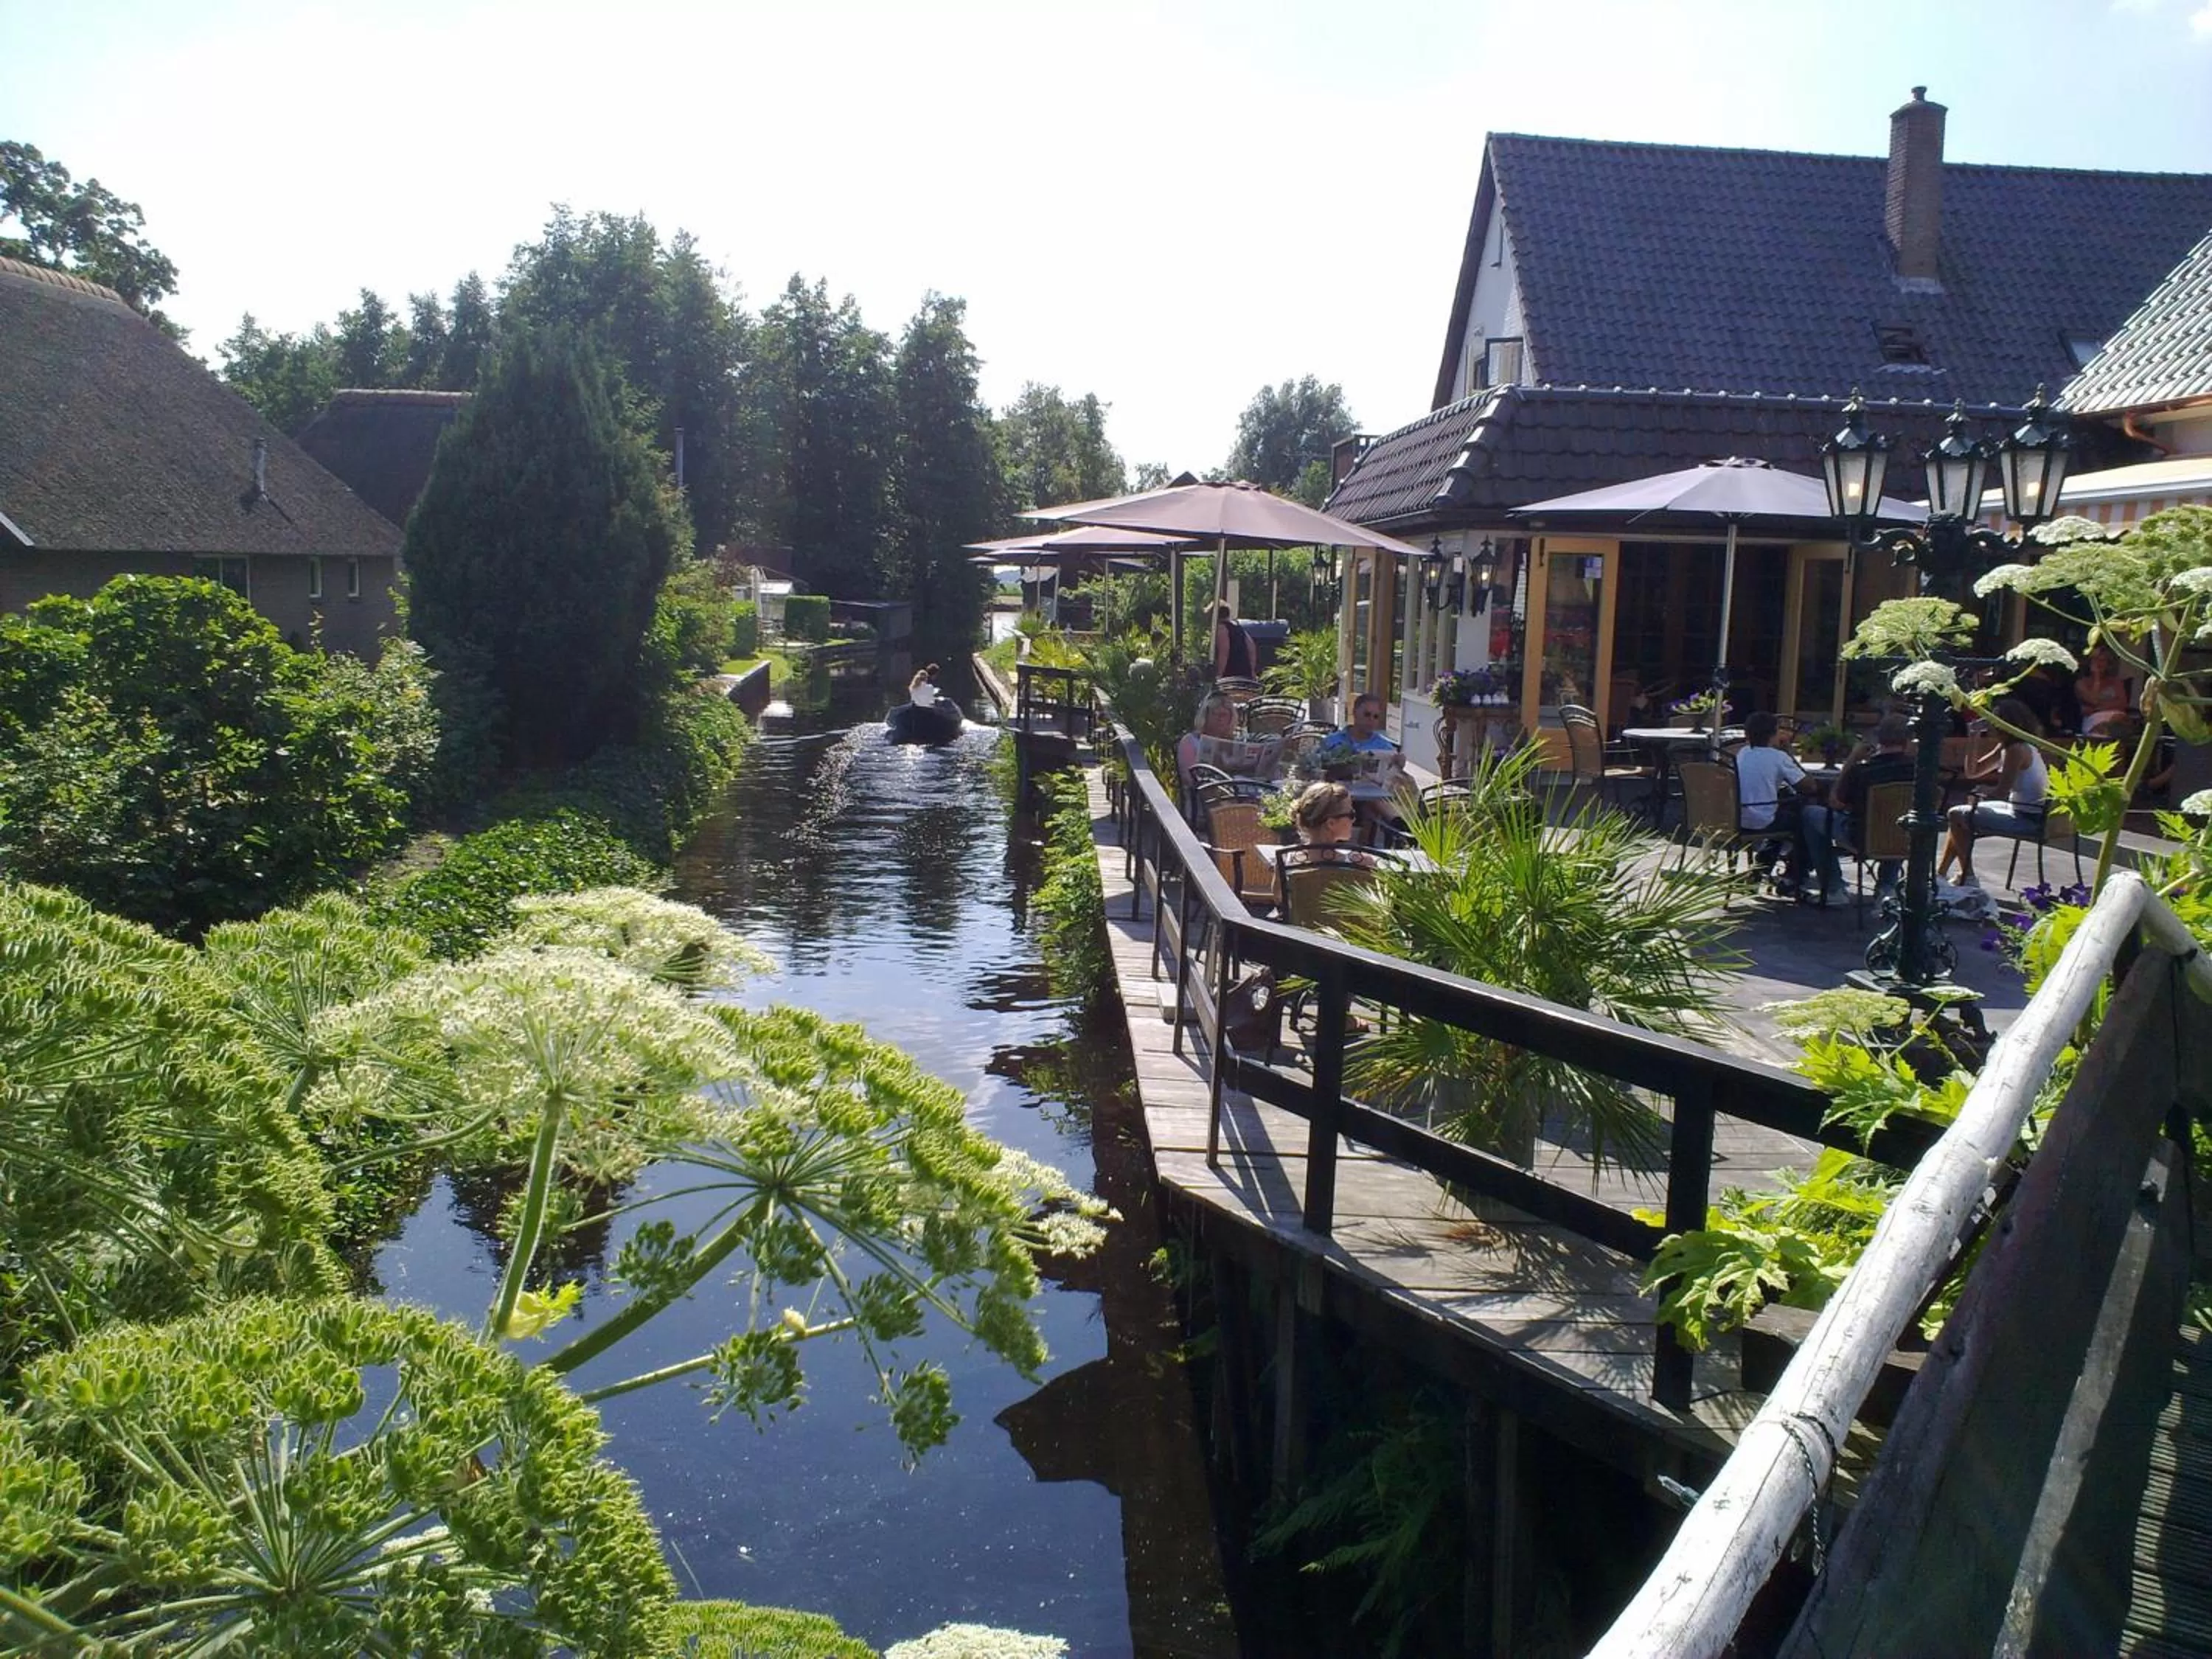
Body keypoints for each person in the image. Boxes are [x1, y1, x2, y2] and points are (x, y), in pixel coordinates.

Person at [1800, 712, 1914, 905]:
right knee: (1897, 821)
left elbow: (1835, 802)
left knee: (1810, 814)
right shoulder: (1918, 772)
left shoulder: (1863, 772)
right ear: (1907, 740)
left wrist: (1852, 760)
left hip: (1862, 838)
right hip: (1906, 841)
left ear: (1879, 739)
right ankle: (1887, 887)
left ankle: (1834, 887)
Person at [1938, 698, 2048, 888]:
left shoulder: (2017, 750)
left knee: (1957, 814)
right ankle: (1942, 873)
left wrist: (1983, 790)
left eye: (1994, 721)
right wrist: (1973, 736)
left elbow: (2000, 792)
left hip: (2029, 817)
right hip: (2021, 808)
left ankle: (1967, 877)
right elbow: (1973, 772)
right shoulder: (2008, 747)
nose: (1990, 725)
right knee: (1959, 815)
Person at [1733, 712, 1809, 884]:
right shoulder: (1778, 757)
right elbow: (1808, 786)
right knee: (1806, 819)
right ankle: (1795, 874)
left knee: (1786, 811)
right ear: (1774, 734)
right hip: (1761, 819)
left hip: (1738, 816)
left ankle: (1761, 869)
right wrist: (1790, 755)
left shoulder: (1743, 753)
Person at [1176, 692, 1237, 795]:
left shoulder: (1235, 741)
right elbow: (1188, 778)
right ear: (1206, 715)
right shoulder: (1190, 741)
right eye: (1215, 714)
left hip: (1235, 793)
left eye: (1224, 715)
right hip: (1203, 796)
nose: (1220, 718)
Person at [2075, 643, 2132, 737]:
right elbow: (2093, 700)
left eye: (2102, 660)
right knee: (2104, 729)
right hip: (2094, 719)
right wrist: (2097, 678)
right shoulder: (2081, 683)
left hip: (2118, 718)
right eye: (2095, 660)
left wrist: (2096, 708)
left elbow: (2122, 704)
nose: (2098, 663)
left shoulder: (2116, 682)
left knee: (2119, 721)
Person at [1291, 780, 1360, 846]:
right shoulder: (1358, 854)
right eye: (1351, 815)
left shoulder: (1289, 853)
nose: (1354, 820)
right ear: (1331, 823)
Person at [1211, 602, 1258, 682]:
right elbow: (1252, 648)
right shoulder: (1239, 628)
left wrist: (1219, 674)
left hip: (1230, 675)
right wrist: (1252, 671)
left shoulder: (1221, 628)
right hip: (1245, 674)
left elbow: (1224, 652)